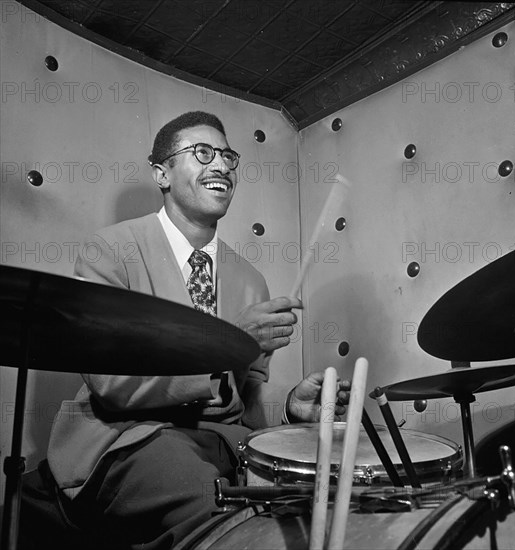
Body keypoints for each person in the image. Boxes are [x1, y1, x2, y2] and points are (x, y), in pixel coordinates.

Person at [46, 111, 349, 550]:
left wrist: (289, 410)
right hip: (123, 439)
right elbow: (110, 383)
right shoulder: (110, 251)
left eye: (228, 156)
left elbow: (243, 402)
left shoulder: (250, 281)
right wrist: (224, 340)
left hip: (221, 441)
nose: (222, 165)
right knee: (217, 507)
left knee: (314, 499)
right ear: (161, 173)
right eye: (203, 153)